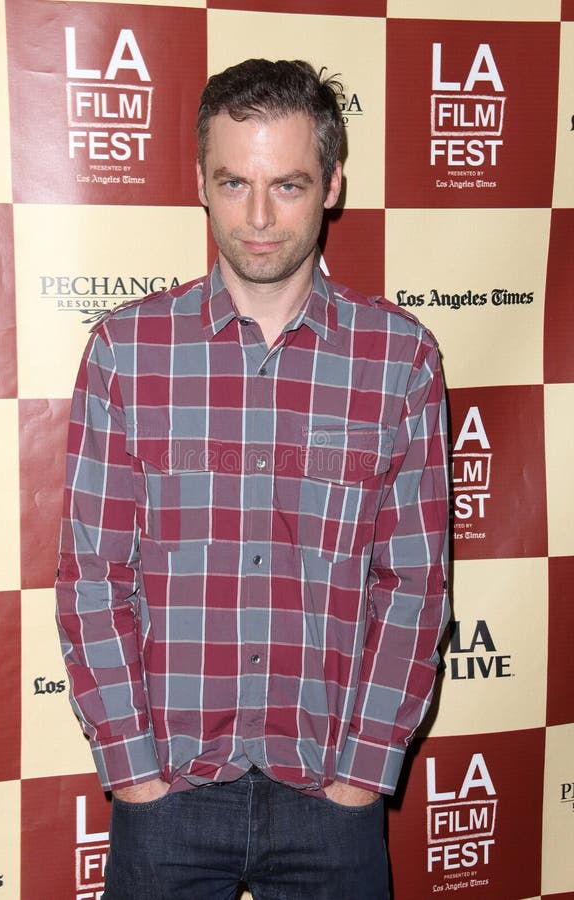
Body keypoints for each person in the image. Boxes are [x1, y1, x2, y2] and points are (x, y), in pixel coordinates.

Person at [56, 58, 450, 900]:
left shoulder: (400, 359)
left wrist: (362, 776)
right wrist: (135, 776)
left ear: (334, 183)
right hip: (167, 796)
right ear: (200, 181)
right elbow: (92, 574)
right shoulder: (128, 352)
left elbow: (414, 582)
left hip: (333, 797)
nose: (260, 217)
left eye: (290, 184)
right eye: (234, 183)